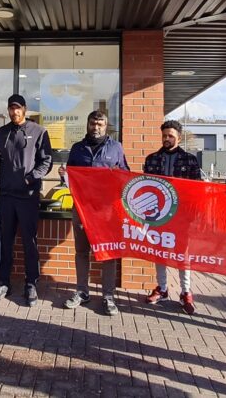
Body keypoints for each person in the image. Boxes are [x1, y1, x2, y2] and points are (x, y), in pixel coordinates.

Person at [59, 111, 128, 316]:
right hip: (82, 209)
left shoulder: (116, 148)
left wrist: (118, 176)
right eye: (92, 123)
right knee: (81, 252)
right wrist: (63, 176)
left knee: (108, 252)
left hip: (106, 211)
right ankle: (82, 292)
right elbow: (70, 178)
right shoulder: (77, 149)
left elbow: (125, 175)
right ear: (87, 124)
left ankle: (108, 296)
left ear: (106, 126)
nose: (96, 127)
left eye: (100, 124)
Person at [0, 94, 52, 307]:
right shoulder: (2, 132)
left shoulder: (39, 131)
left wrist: (30, 178)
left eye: (18, 108)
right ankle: (2, 282)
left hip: (28, 197)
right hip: (5, 196)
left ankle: (31, 283)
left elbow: (46, 162)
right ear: (8, 110)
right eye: (11, 109)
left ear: (25, 109)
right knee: (5, 241)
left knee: (29, 242)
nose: (14, 112)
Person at [143, 120, 201, 314]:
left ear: (179, 137)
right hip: (159, 215)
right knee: (159, 251)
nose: (167, 139)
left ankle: (185, 291)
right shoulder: (152, 159)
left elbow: (197, 189)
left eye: (171, 136)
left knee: (182, 254)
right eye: (164, 136)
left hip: (182, 216)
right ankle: (162, 287)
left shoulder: (190, 160)